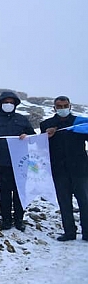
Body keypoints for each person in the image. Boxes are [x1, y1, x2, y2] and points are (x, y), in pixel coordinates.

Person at [0, 91, 35, 231]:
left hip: (21, 162)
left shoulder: (22, 119)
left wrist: (27, 135)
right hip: (1, 162)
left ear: (16, 104)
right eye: (6, 102)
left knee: (20, 191)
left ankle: (19, 220)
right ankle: (6, 220)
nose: (9, 105)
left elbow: (34, 137)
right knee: (4, 191)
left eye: (11, 102)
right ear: (0, 104)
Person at [40, 96, 88, 241]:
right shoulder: (46, 124)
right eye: (59, 106)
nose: (62, 108)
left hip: (80, 169)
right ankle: (69, 232)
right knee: (64, 202)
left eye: (65, 105)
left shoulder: (80, 123)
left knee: (84, 202)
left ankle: (87, 232)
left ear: (70, 106)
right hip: (59, 170)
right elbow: (39, 146)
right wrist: (46, 136)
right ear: (54, 108)